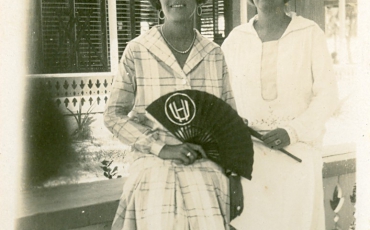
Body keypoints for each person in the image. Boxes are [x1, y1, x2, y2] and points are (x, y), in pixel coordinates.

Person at [104, 0, 235, 229]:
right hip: (153, 162)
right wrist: (160, 148)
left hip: (204, 164)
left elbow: (228, 119)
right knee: (160, 203)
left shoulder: (214, 54)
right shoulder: (138, 50)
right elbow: (113, 115)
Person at [221, 0, 338, 229]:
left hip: (296, 152)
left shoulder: (309, 33)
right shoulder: (236, 39)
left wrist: (291, 131)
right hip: (249, 155)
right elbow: (221, 96)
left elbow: (328, 95)